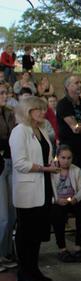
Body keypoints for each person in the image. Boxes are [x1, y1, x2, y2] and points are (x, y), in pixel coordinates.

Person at [10, 96, 58, 281]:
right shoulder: (19, 131)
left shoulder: (41, 131)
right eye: (38, 109)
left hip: (43, 184)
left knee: (38, 231)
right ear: (28, 111)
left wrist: (49, 167)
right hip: (28, 187)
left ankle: (34, 268)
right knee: (26, 231)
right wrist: (44, 168)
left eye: (43, 109)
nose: (42, 113)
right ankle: (24, 270)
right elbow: (20, 163)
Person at [50, 145, 81, 263]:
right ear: (57, 158)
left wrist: (75, 198)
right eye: (63, 158)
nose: (66, 161)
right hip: (58, 201)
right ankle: (62, 249)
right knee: (57, 214)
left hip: (72, 199)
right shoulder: (51, 171)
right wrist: (56, 200)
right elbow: (46, 193)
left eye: (69, 158)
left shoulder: (76, 170)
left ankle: (78, 248)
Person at [0, 82, 18, 270]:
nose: (6, 95)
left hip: (10, 162)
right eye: (2, 93)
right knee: (2, 215)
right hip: (1, 164)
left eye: (7, 92)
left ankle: (5, 252)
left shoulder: (9, 113)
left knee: (11, 212)